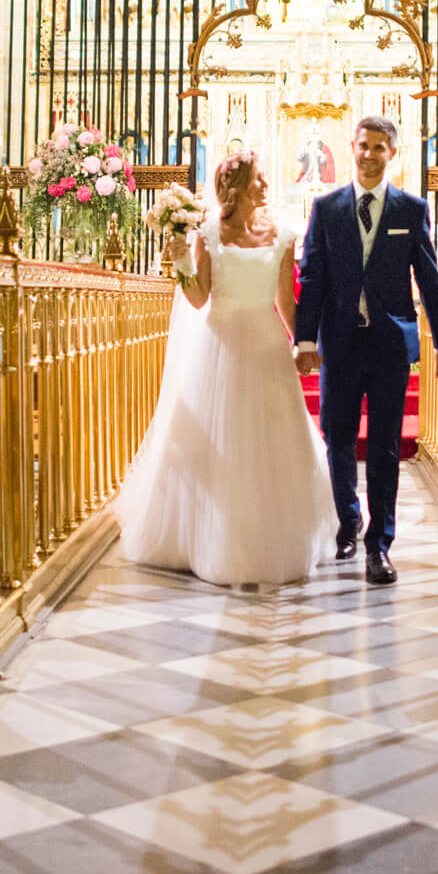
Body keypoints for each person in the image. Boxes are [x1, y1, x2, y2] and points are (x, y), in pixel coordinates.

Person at [107, 152, 337, 586]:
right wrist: (180, 260)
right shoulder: (210, 233)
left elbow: (286, 302)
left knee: (268, 441)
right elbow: (198, 298)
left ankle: (273, 537)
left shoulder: (283, 235)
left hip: (267, 343)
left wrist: (304, 343)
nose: (267, 185)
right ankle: (212, 537)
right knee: (223, 440)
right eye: (260, 178)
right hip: (220, 344)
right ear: (238, 186)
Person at [295, 116, 438, 586]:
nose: (369, 154)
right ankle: (348, 521)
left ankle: (379, 545)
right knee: (338, 439)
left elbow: (428, 277)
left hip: (388, 345)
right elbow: (312, 277)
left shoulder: (410, 208)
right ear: (352, 148)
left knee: (384, 447)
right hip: (339, 343)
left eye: (379, 147)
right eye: (363, 145)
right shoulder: (327, 209)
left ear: (392, 154)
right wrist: (305, 341)